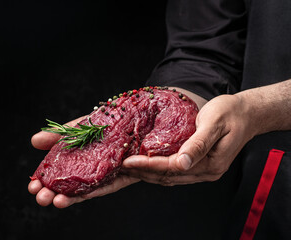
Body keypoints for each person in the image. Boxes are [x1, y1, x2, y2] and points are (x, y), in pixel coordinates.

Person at [29, 0, 291, 238]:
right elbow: (203, 48)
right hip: (271, 194)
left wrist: (261, 109)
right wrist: (170, 104)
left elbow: (258, 108)